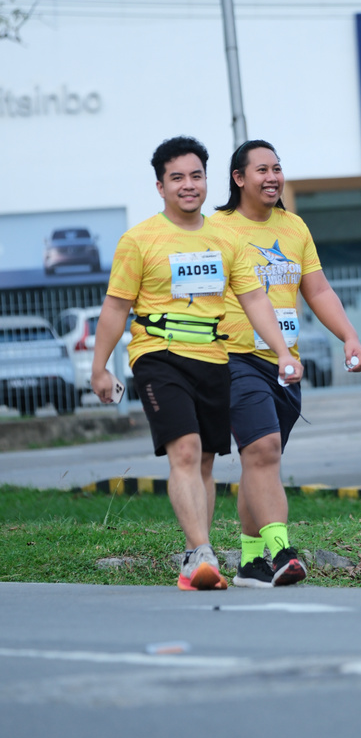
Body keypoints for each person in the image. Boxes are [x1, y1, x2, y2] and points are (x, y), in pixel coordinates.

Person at [91, 135, 302, 592]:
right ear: (160, 186)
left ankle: (196, 557)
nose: (188, 185)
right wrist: (100, 367)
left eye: (196, 176)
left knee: (204, 460)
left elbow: (254, 300)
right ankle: (200, 552)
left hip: (213, 356)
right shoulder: (139, 239)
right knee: (184, 450)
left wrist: (283, 352)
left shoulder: (226, 238)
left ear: (207, 180)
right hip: (158, 355)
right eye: (177, 178)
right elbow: (115, 307)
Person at [211, 139, 361, 589]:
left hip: (284, 364)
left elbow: (317, 290)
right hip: (234, 357)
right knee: (264, 451)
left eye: (277, 168)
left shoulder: (294, 227)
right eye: (262, 169)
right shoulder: (216, 228)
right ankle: (281, 552)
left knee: (258, 461)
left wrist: (350, 336)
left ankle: (249, 562)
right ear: (239, 178)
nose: (273, 177)